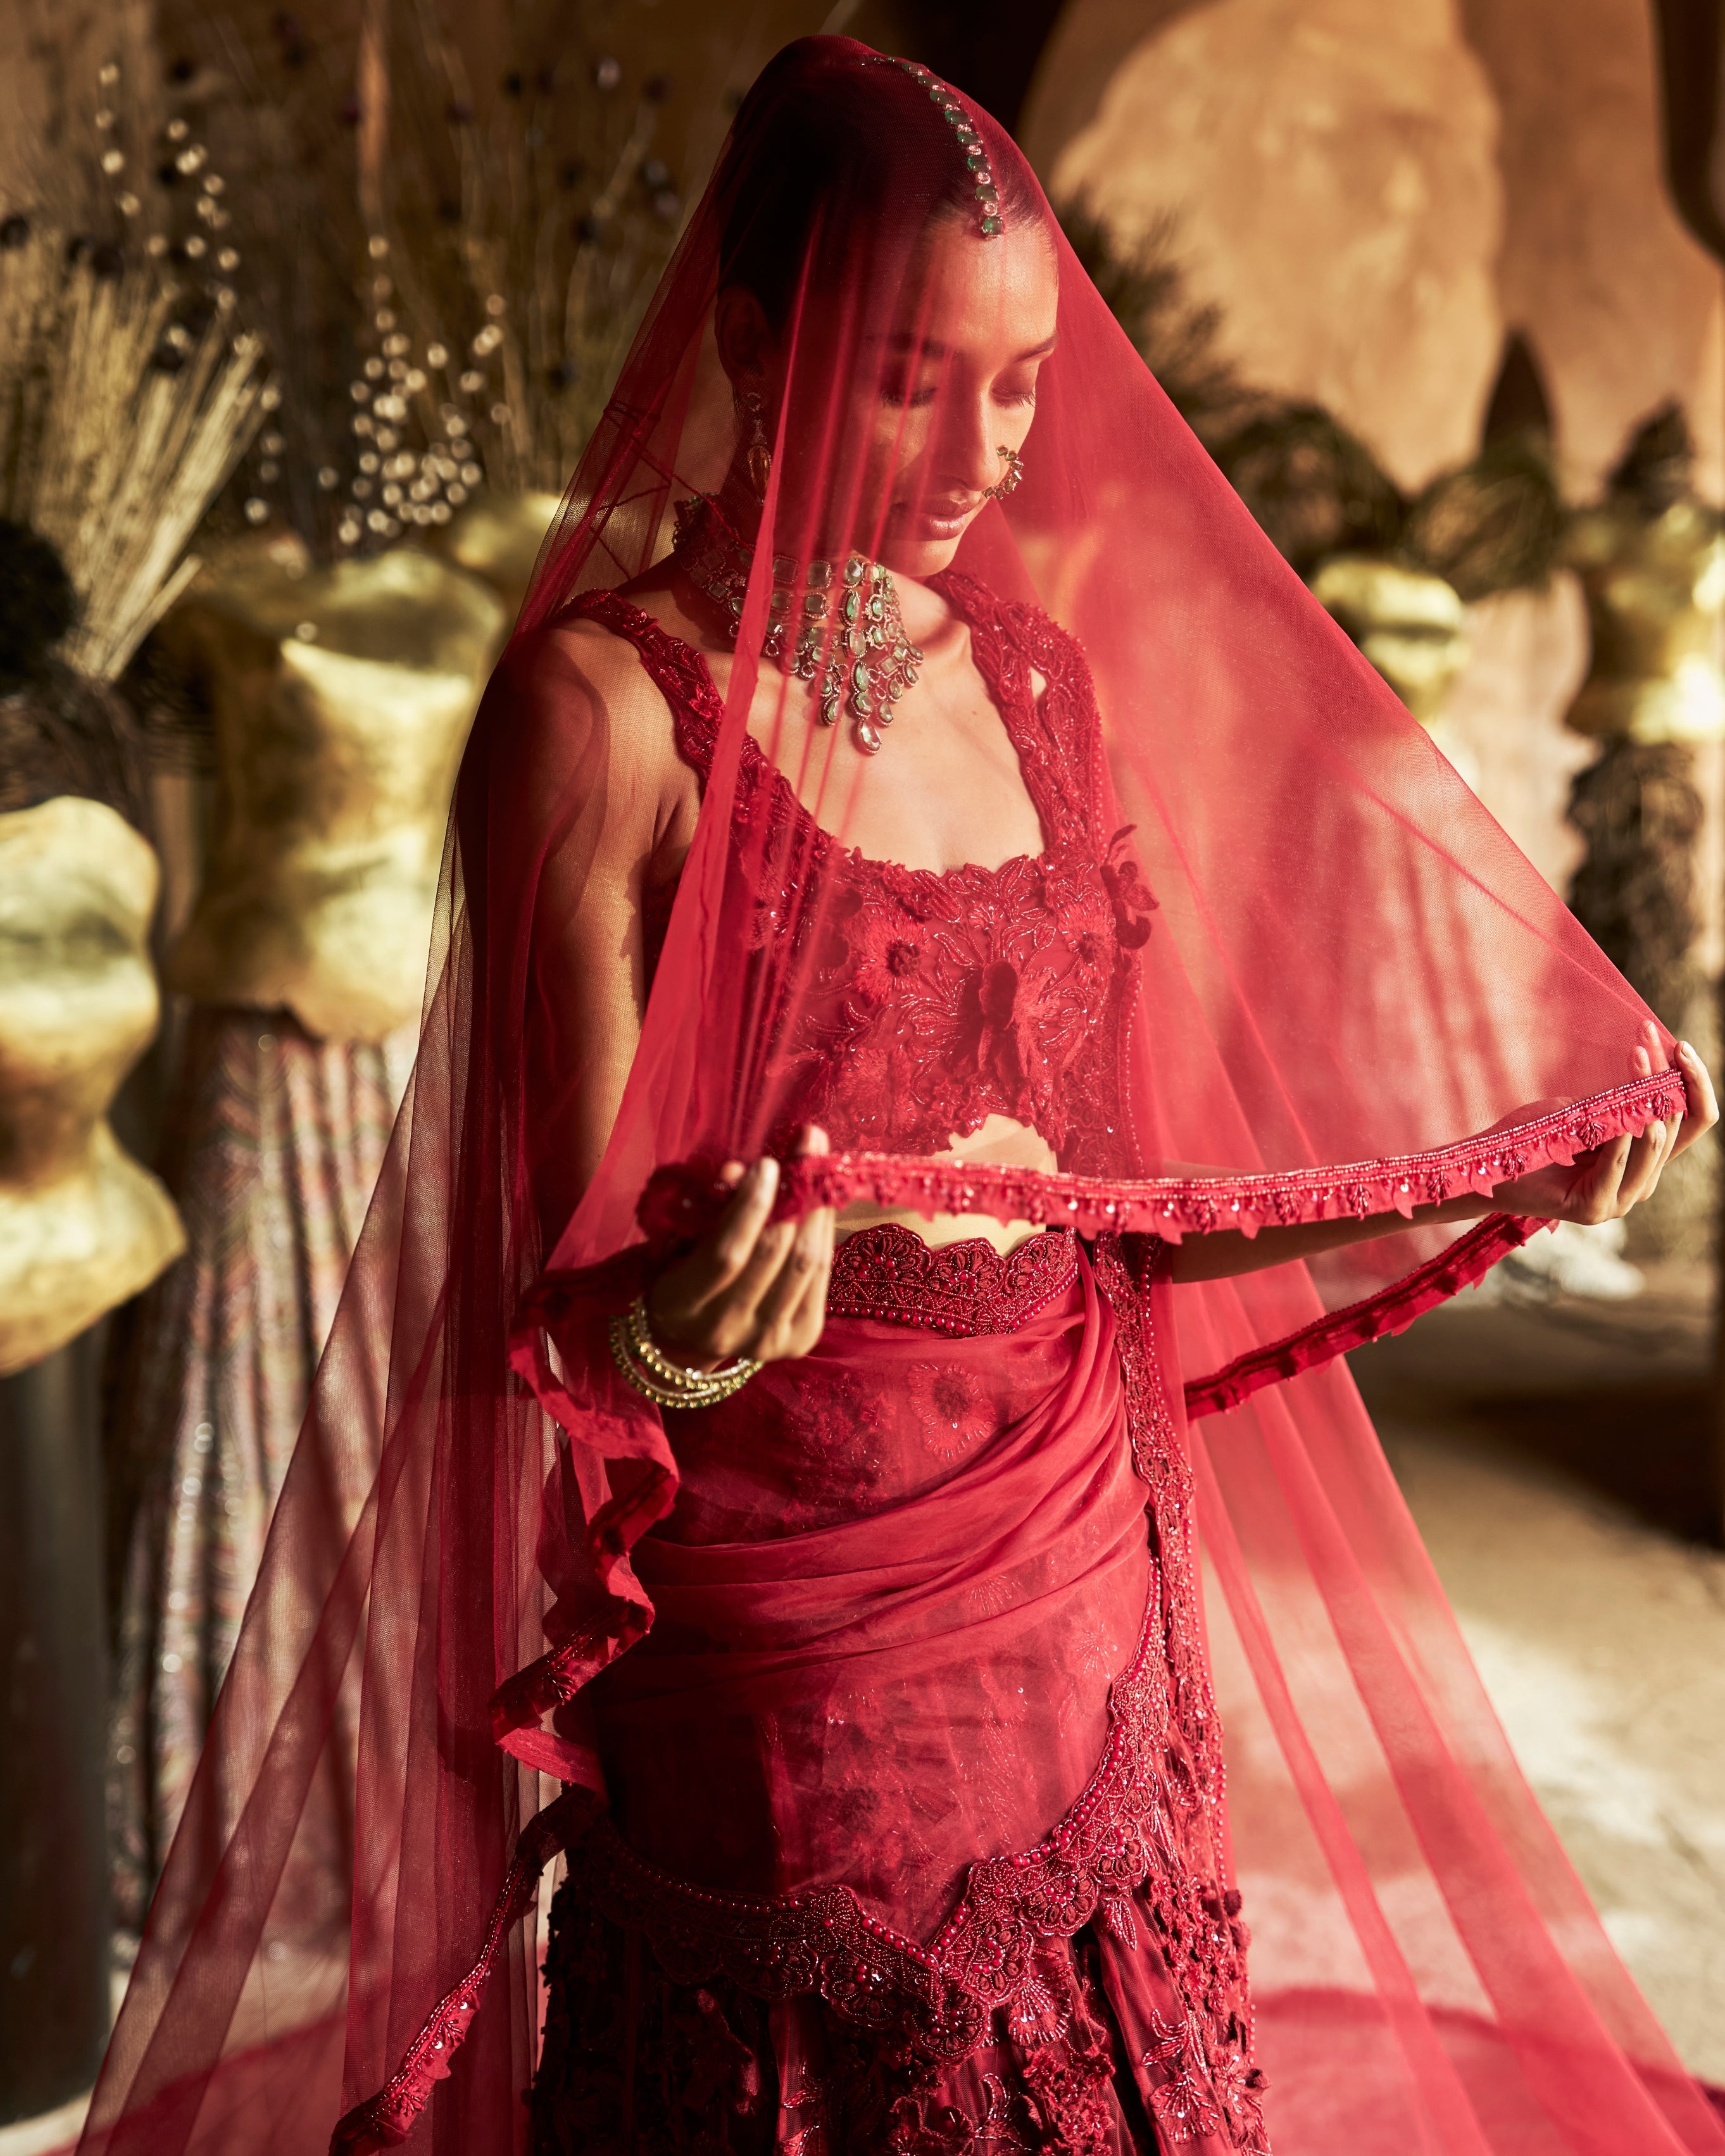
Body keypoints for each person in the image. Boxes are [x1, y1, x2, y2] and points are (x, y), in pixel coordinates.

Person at [81, 39, 1725, 2156]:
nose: (981, 451)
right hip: (783, 1649)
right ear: (755, 344)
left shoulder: (1037, 685)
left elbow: (1123, 1209)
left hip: (1081, 1585)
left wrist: (1498, 1158)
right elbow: (562, 1313)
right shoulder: (600, 721)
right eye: (909, 378)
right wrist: (673, 1325)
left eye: (1022, 382)